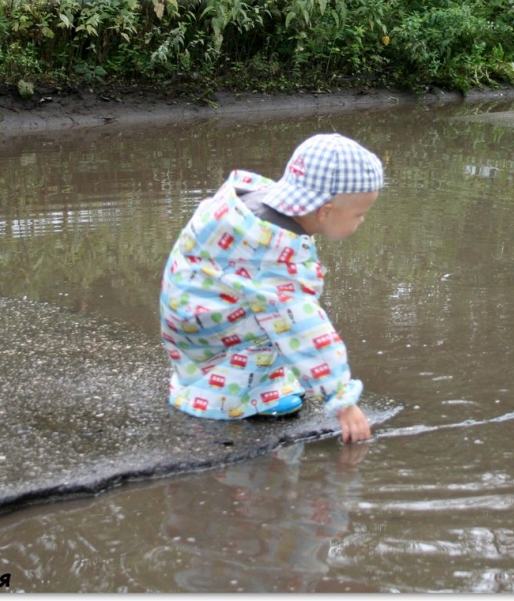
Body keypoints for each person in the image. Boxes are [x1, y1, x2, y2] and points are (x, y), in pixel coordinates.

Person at [159, 133, 383, 443]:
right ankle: (249, 398)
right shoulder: (275, 262)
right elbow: (306, 333)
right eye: (359, 214)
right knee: (282, 323)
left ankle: (216, 376)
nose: (361, 222)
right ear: (325, 211)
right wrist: (342, 402)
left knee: (273, 314)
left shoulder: (246, 210)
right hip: (212, 338)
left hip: (190, 324)